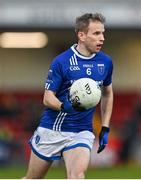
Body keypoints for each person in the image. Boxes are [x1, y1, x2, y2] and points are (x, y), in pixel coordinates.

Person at [24, 12, 113, 179]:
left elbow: (107, 93)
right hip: (52, 130)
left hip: (81, 131)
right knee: (32, 178)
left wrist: (105, 126)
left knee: (77, 175)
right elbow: (47, 97)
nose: (102, 38)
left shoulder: (105, 62)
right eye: (96, 33)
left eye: (103, 33)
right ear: (81, 35)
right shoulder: (62, 61)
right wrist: (65, 107)